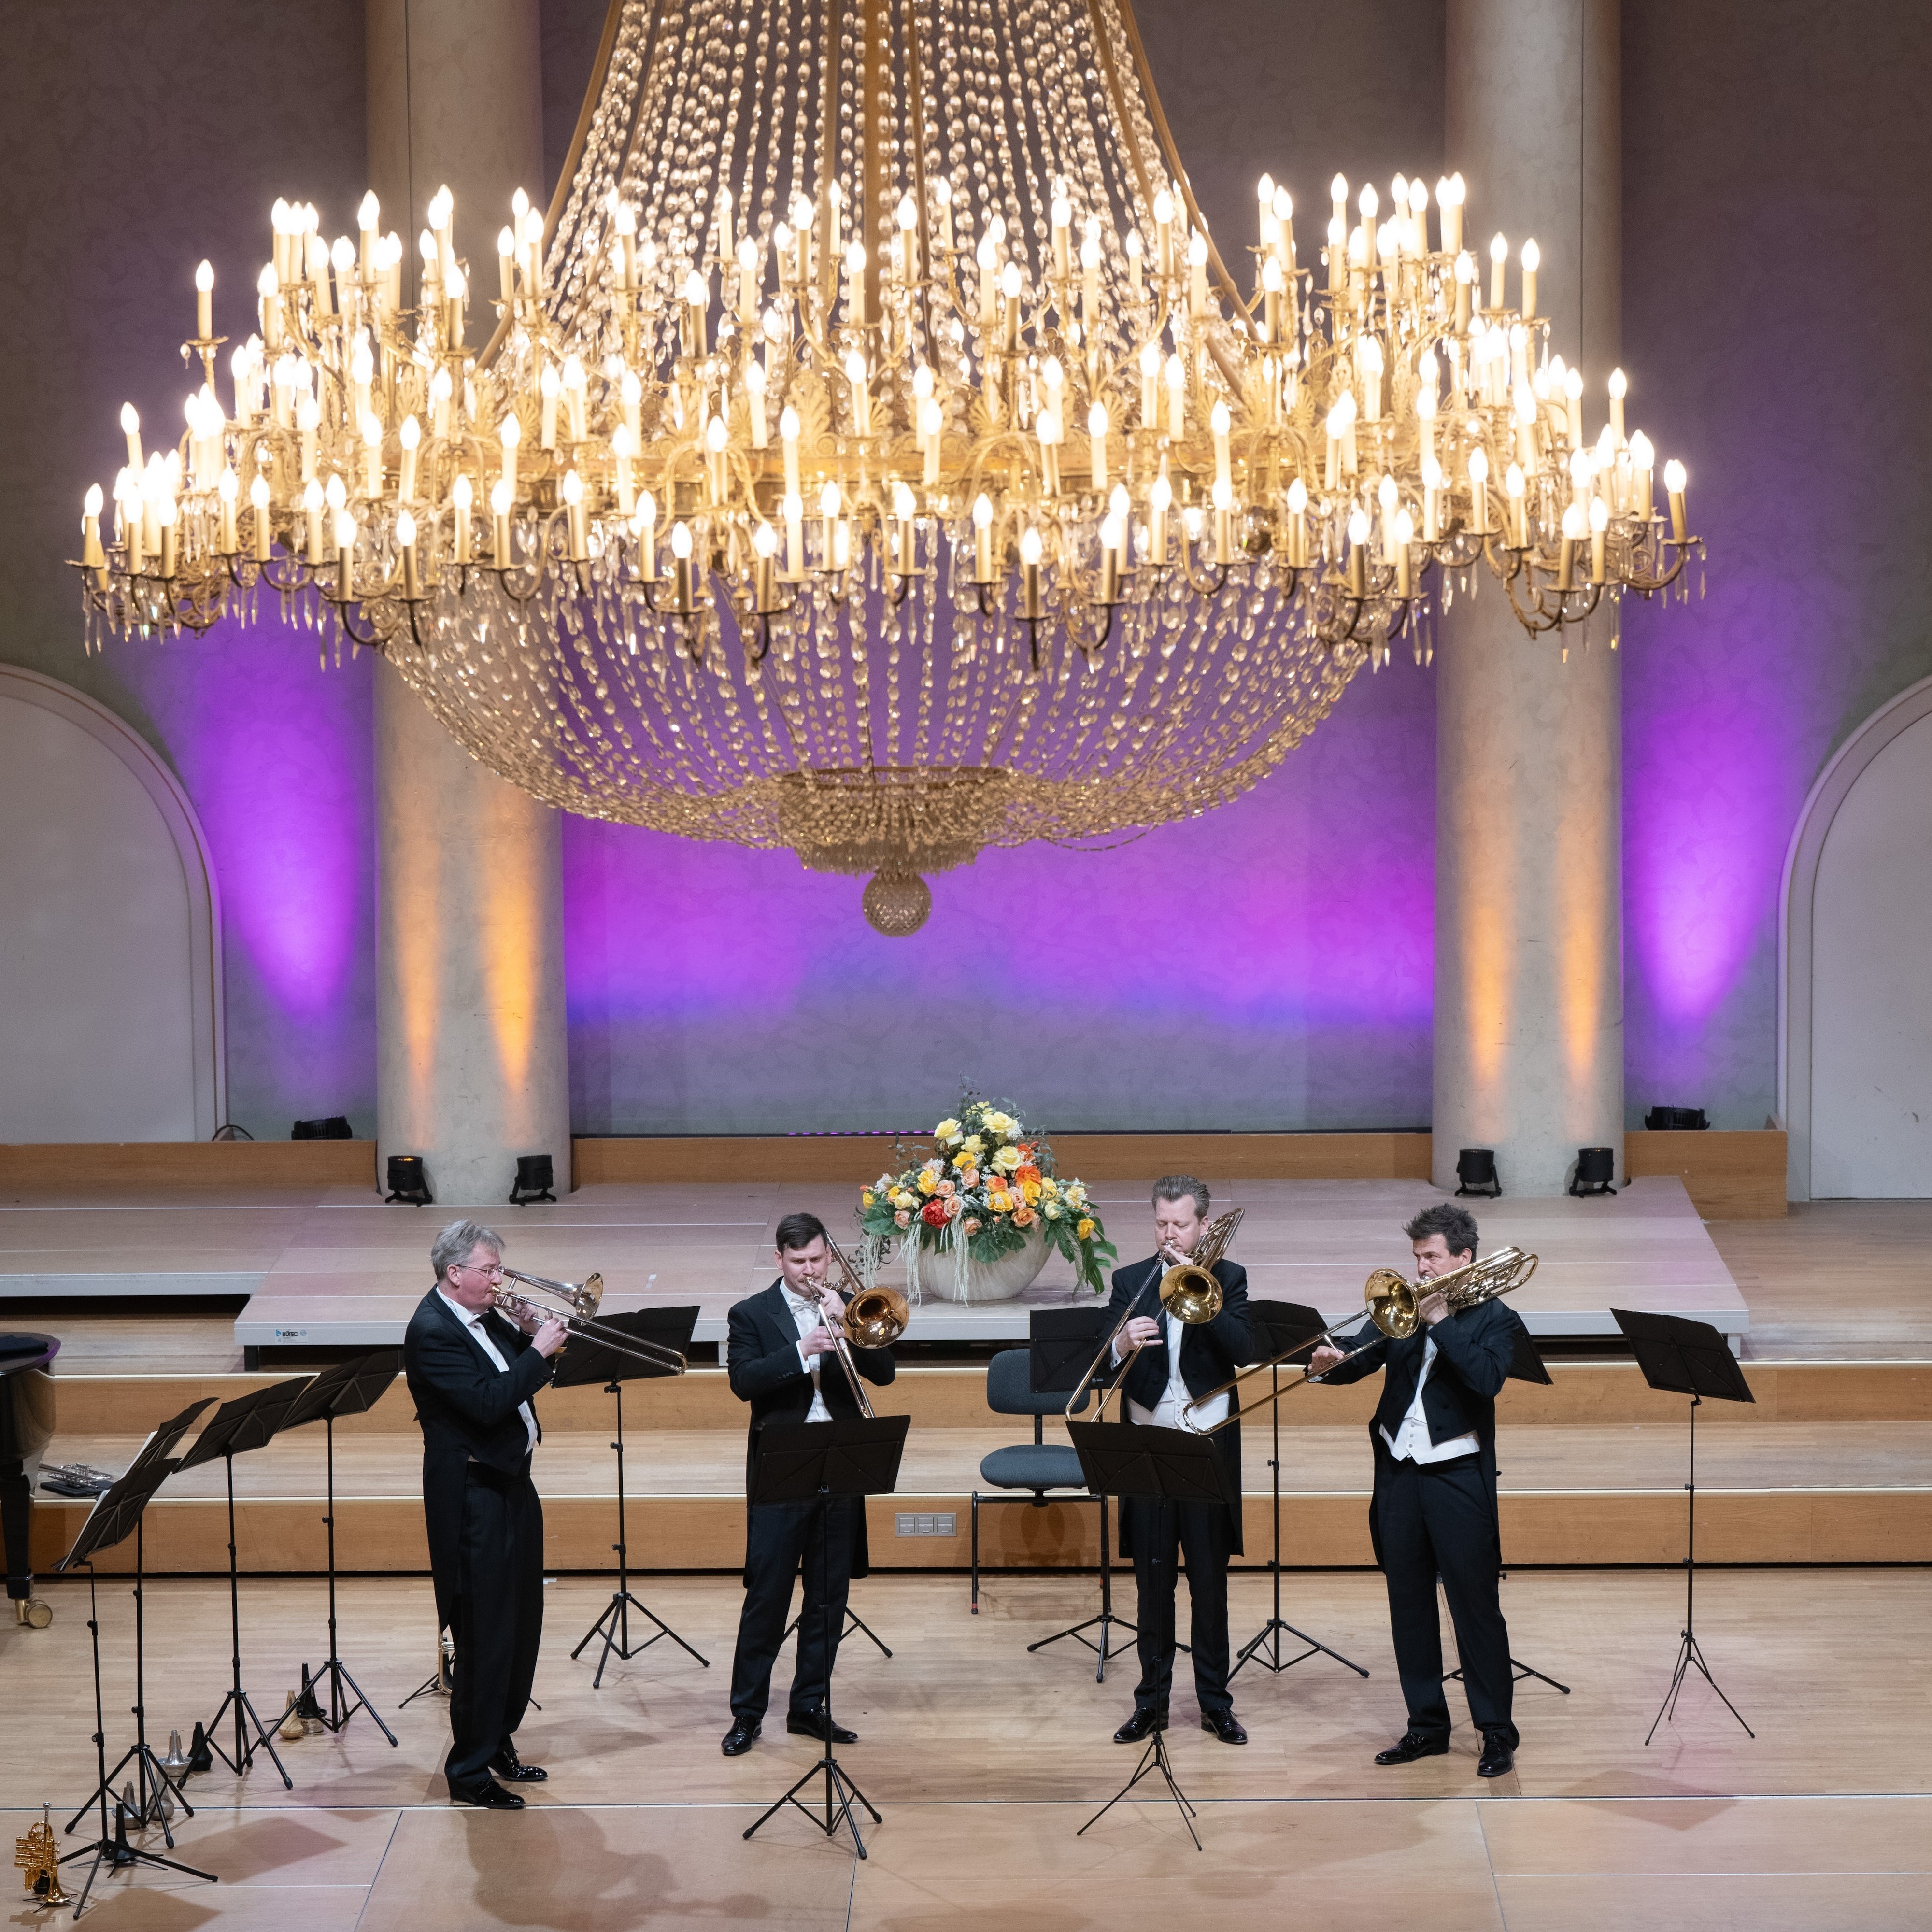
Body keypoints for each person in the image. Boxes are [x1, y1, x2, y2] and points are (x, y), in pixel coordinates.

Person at [1307, 1201, 1527, 1778]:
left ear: (1463, 1256)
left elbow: (1486, 1379)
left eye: (1430, 1257)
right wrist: (1328, 1364)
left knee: (1474, 1608)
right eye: (1417, 1257)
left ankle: (1495, 1732)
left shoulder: (1496, 1318)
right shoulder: (1399, 1306)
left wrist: (1441, 1322)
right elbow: (1360, 1359)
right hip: (1399, 1474)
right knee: (1408, 1604)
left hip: (1456, 1478)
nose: (1421, 1268)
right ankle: (1426, 1726)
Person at [402, 1219, 566, 1810]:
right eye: (490, 1269)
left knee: (521, 1624)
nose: (500, 1279)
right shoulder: (431, 1331)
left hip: (512, 1483)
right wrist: (538, 1352)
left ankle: (498, 1739)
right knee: (485, 1632)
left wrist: (530, 1336)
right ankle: (468, 1771)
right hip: (473, 1496)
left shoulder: (486, 1315)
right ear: (455, 1273)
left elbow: (519, 1379)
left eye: (498, 1268)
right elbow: (488, 1402)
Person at [720, 1212, 896, 1757]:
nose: (809, 1270)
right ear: (779, 1259)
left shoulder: (849, 1304)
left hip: (840, 1461)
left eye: (817, 1259)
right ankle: (747, 1713)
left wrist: (850, 1327)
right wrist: (801, 1351)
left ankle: (809, 1706)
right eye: (798, 1261)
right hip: (783, 1465)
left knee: (827, 1597)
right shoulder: (751, 1313)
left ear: (828, 1255)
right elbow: (743, 1381)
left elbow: (885, 1374)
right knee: (768, 1597)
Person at [1103, 1176, 1258, 1747]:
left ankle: (1216, 1703)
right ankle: (1152, 1703)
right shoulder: (1130, 1280)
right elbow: (1099, 1357)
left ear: (1203, 1225)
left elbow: (1246, 1350)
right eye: (1161, 1223)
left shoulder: (1229, 1277)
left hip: (1205, 1447)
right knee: (1153, 1585)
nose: (1169, 1233)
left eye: (1180, 1224)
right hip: (1147, 1447)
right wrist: (1121, 1343)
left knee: (1209, 1584)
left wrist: (1202, 1298)